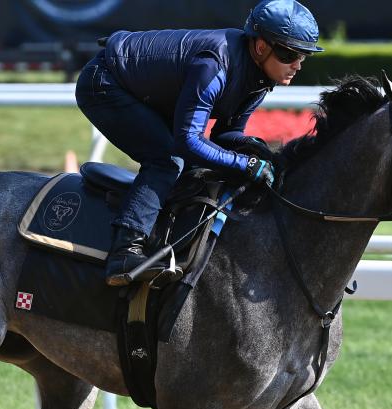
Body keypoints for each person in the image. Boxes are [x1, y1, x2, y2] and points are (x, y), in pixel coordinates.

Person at [74, 0, 323, 286]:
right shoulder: (215, 64)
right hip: (104, 82)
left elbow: (223, 138)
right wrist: (245, 163)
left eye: (304, 55)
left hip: (141, 93)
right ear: (261, 46)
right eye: (289, 53)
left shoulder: (260, 76)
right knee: (167, 161)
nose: (297, 64)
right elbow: (188, 142)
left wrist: (258, 151)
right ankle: (125, 251)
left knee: (196, 166)